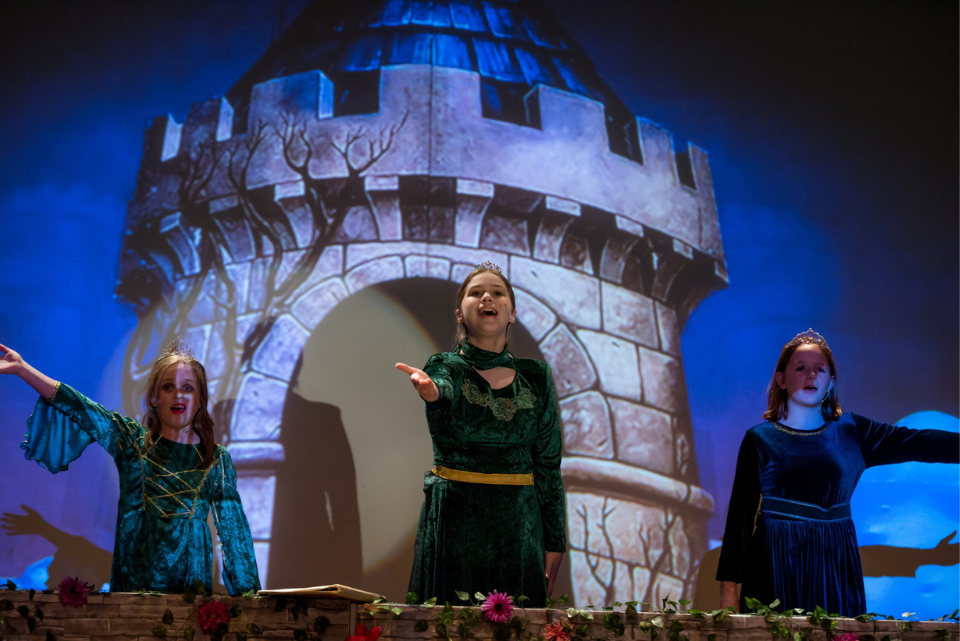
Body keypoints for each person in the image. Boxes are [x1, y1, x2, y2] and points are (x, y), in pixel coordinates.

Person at [716, 329, 959, 616]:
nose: (811, 375)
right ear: (781, 379)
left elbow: (917, 443)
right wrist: (729, 590)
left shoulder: (851, 431)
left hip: (835, 558)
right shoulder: (760, 438)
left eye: (820, 369)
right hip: (775, 557)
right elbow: (740, 519)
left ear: (830, 381)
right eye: (801, 368)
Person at [0, 338, 261, 595]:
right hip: (134, 593)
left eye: (188, 388)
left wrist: (250, 600)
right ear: (154, 398)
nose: (178, 394)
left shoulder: (216, 459)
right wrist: (23, 368)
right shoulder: (131, 443)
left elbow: (234, 532)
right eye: (168, 386)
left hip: (191, 594)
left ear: (200, 398)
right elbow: (81, 408)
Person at [395, 262, 566, 607]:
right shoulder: (445, 366)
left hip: (519, 528)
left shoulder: (536, 377)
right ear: (460, 313)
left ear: (512, 313)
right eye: (476, 293)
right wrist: (431, 391)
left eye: (497, 292)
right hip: (455, 523)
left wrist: (555, 541)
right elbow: (442, 386)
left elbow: (548, 465)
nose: (487, 296)